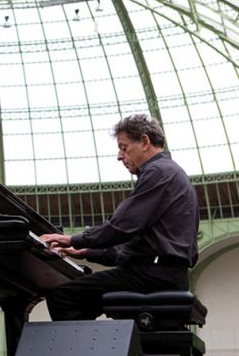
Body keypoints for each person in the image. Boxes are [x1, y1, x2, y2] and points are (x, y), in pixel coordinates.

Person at [39, 114, 199, 321]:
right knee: (83, 296)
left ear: (144, 141)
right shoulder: (168, 172)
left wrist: (72, 239)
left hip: (153, 275)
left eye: (124, 148)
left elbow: (121, 226)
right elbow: (132, 247)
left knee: (63, 296)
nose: (119, 156)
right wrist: (87, 251)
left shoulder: (158, 172)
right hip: (162, 273)